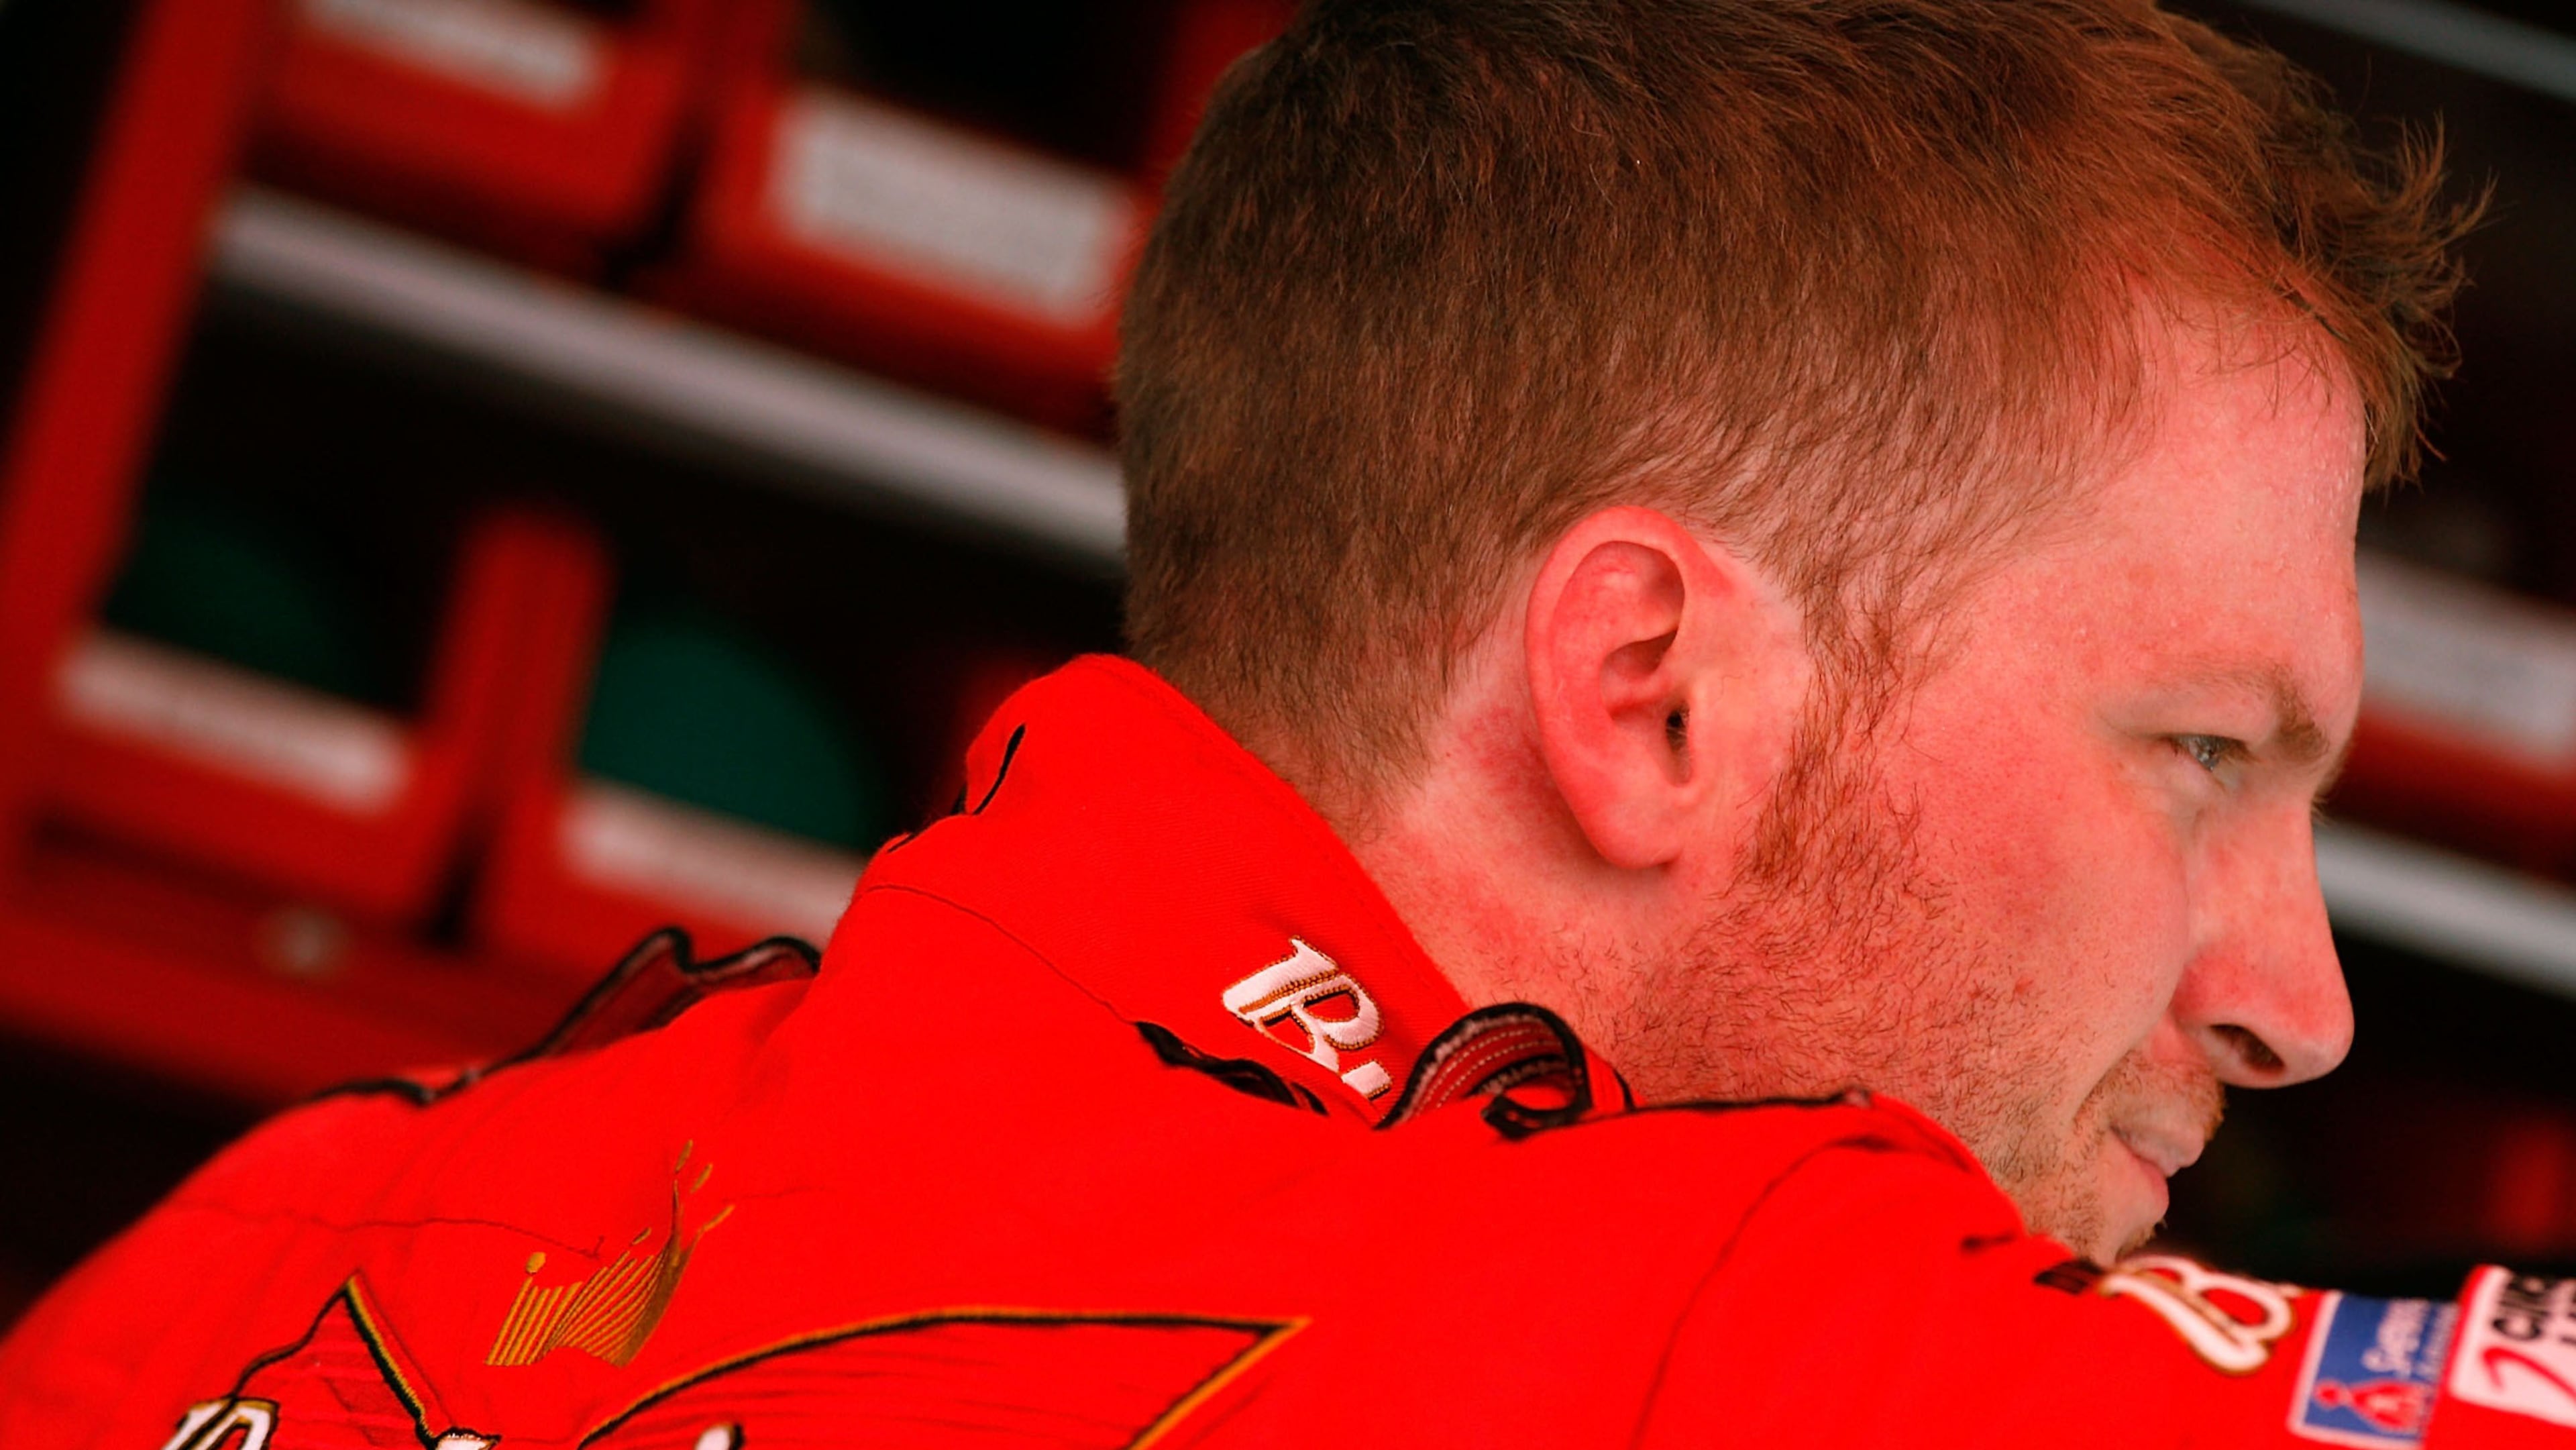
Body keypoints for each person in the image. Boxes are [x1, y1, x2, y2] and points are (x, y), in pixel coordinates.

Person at [3, 0, 2553, 1445]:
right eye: (2202, 756)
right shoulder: (1706, 1342)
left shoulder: (245, 1265)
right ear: (1646, 697)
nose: (2293, 998)